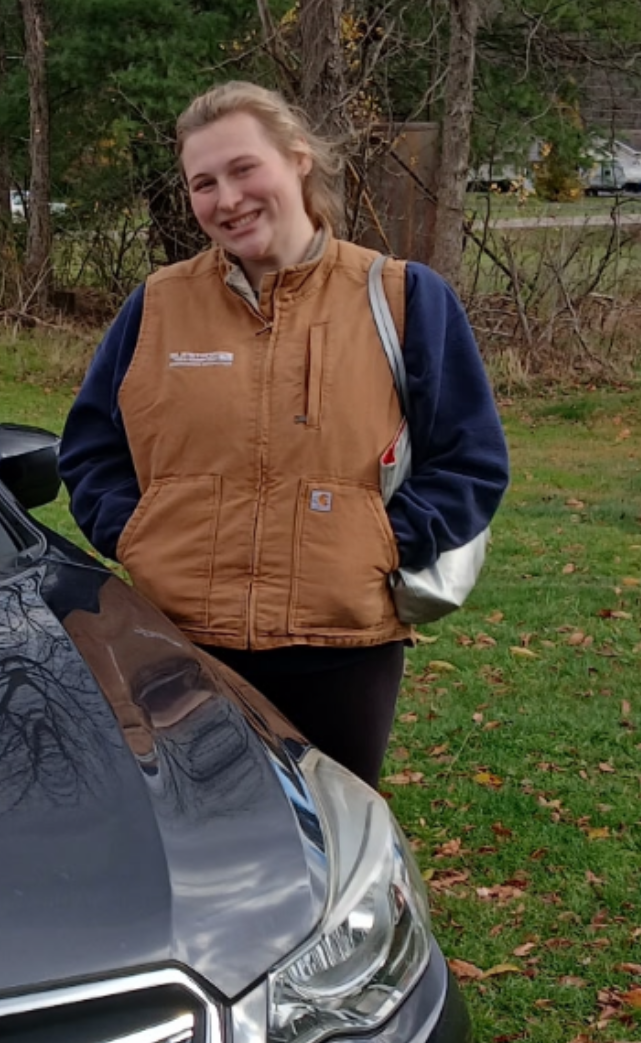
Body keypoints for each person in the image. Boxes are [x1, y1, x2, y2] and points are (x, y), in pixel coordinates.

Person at [58, 81, 511, 788]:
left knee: (334, 832)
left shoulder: (403, 297)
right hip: (178, 646)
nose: (228, 199)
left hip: (342, 652)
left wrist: (379, 542)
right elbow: (90, 450)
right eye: (204, 183)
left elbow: (470, 461)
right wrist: (140, 532)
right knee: (197, 831)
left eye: (244, 169)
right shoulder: (158, 305)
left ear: (299, 159)